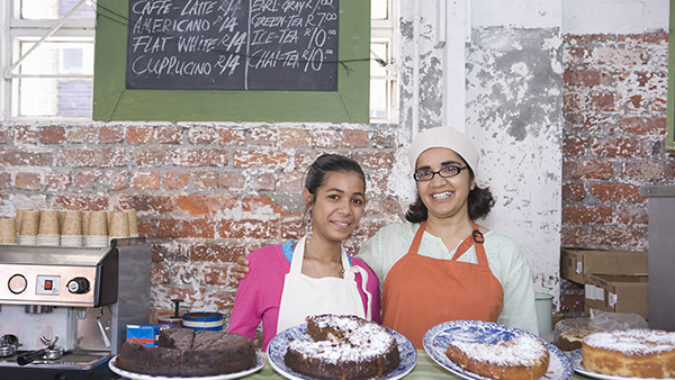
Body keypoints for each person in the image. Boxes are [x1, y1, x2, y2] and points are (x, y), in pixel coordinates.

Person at [233, 127, 538, 348]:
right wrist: (256, 270)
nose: (437, 181)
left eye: (450, 169)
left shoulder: (505, 254)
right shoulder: (388, 243)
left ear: (471, 180)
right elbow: (334, 274)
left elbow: (524, 346)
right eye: (425, 172)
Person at [227, 153, 380, 351]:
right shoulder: (260, 266)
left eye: (356, 201)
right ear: (310, 199)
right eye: (334, 197)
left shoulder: (365, 278)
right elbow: (235, 350)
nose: (346, 210)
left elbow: (373, 350)